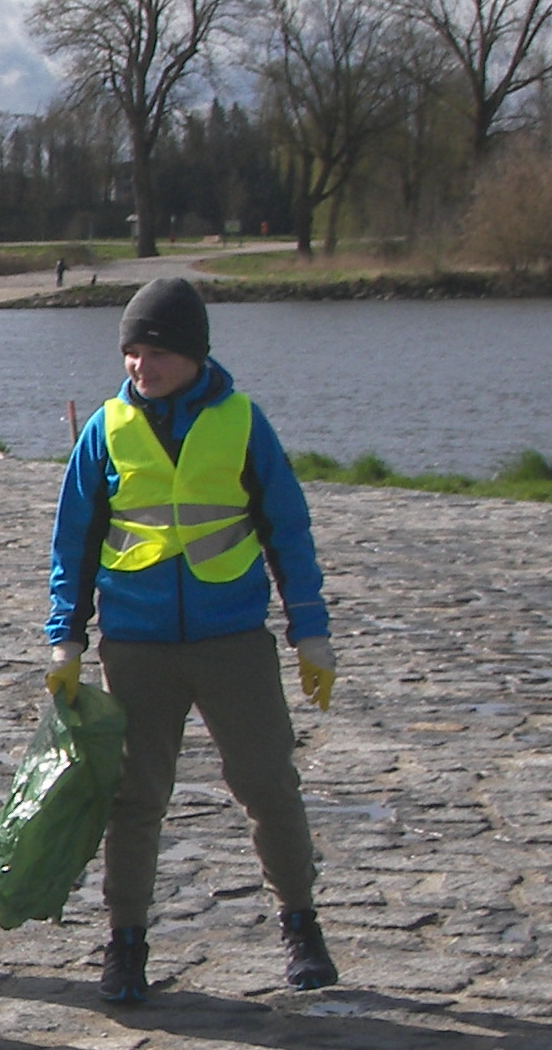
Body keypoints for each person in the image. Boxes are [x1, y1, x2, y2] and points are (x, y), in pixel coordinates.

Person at [47, 275, 337, 1003]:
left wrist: (311, 629)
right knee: (135, 799)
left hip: (231, 639)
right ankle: (126, 944)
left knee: (269, 784)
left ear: (195, 354)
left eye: (157, 352)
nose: (142, 366)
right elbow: (73, 542)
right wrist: (67, 637)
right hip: (135, 645)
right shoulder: (104, 429)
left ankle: (301, 926)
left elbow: (287, 530)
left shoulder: (242, 421)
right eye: (132, 352)